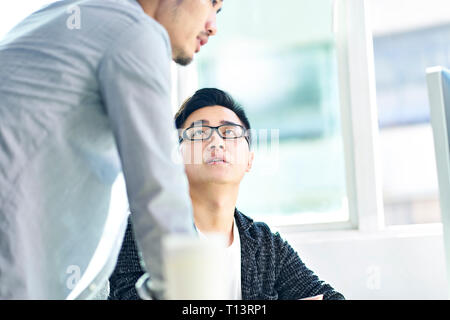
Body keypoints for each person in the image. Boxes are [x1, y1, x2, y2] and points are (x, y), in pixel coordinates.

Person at [0, 0, 223, 299]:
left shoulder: (68, 17)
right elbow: (159, 190)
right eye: (212, 3)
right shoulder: (134, 32)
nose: (213, 25)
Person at [109, 88, 345, 300]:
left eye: (230, 132)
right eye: (199, 133)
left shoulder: (266, 246)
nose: (216, 140)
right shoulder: (143, 231)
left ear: (249, 159)